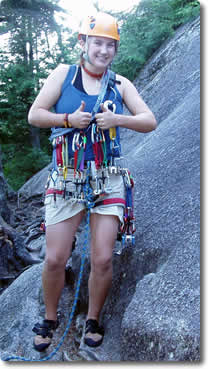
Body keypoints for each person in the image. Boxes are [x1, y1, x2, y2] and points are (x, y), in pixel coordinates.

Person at [28, 12, 157, 352]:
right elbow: (36, 114)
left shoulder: (120, 84)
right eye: (97, 42)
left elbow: (149, 120)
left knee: (101, 258)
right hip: (68, 175)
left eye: (110, 44)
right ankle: (50, 318)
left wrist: (118, 119)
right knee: (55, 258)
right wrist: (68, 118)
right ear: (83, 43)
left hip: (107, 178)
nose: (104, 50)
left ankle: (93, 319)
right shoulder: (63, 75)